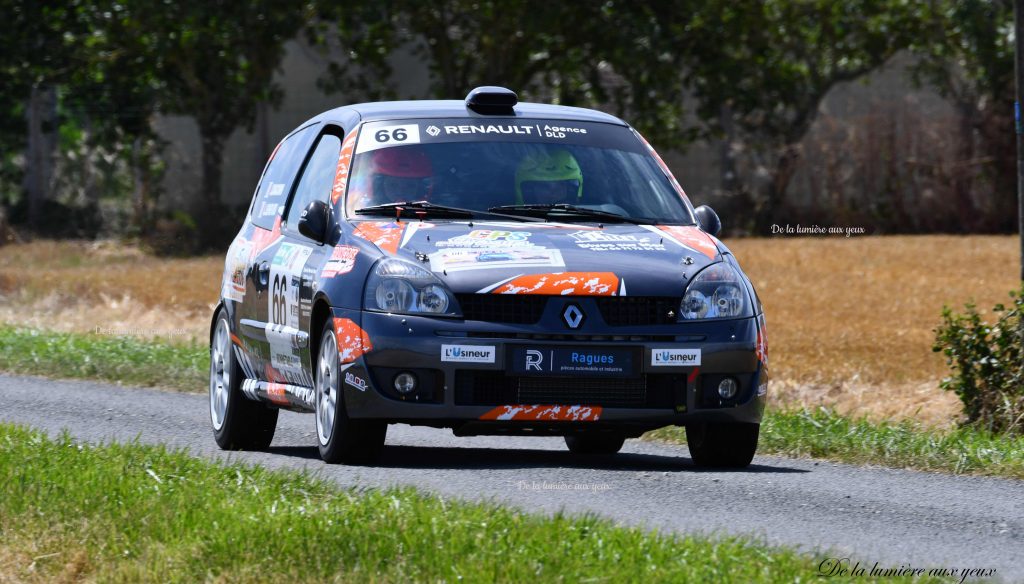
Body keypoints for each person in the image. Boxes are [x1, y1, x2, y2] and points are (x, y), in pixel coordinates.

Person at [351, 146, 433, 209]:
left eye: (410, 186)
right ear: (380, 186)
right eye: (393, 185)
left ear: (420, 189)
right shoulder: (366, 213)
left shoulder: (434, 213)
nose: (401, 191)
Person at [514, 149, 583, 205]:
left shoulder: (582, 215)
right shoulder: (509, 217)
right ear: (530, 189)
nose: (553, 192)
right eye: (544, 186)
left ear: (569, 188)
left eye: (560, 185)